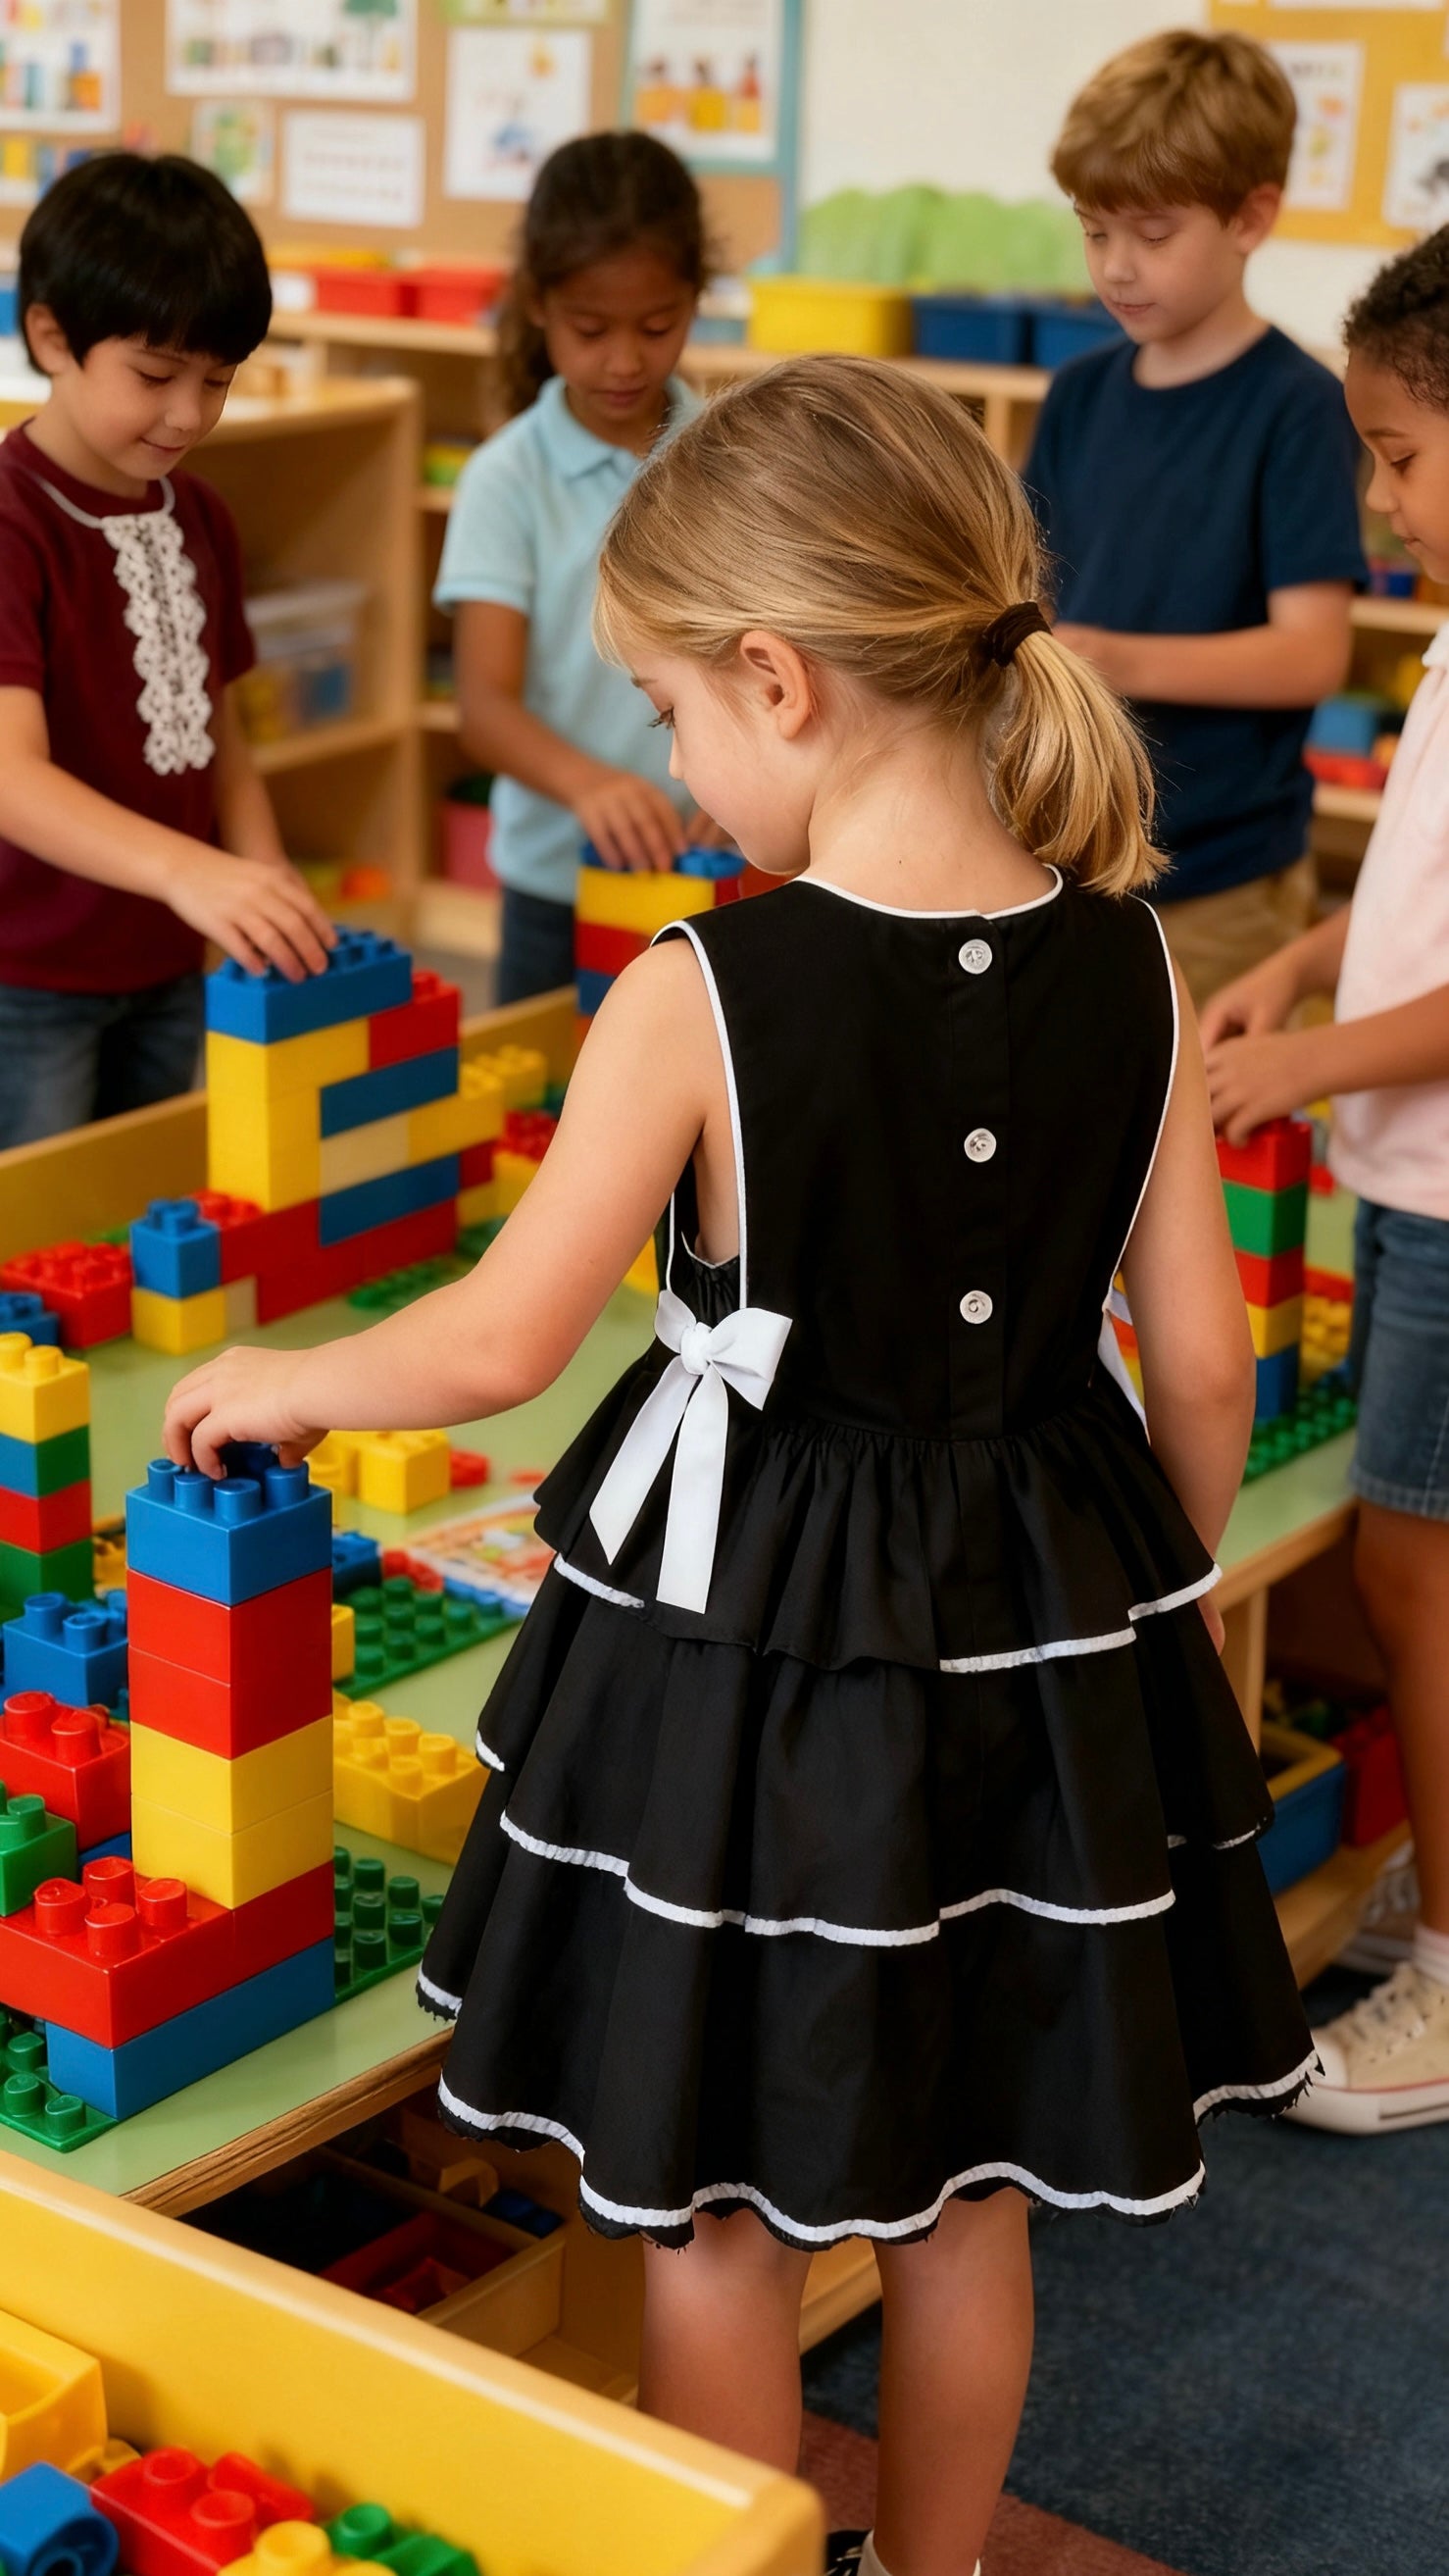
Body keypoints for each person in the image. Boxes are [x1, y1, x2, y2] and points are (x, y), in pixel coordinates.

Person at [163, 359, 1314, 2576]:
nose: (674, 766)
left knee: (715, 2200)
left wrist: (290, 1376)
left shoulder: (702, 988)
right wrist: (1129, 1605)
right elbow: (1201, 1354)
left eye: (677, 711)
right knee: (966, 2187)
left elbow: (503, 1346)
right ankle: (933, 2565)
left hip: (762, 1655)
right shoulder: (1138, 963)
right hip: (1036, 1607)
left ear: (779, 679)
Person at [1202, 228, 1449, 2139]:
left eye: (1401, 452)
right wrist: (1309, 956)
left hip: (1444, 1189)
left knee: (1409, 1566)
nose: (1377, 493)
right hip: (1407, 1169)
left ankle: (1447, 1958)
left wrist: (1304, 1057)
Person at [1025, 28, 1365, 1013]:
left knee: (1195, 1145)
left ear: (1250, 216)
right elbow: (1025, 584)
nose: (1116, 266)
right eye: (1094, 231)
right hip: (1070, 849)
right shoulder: (1078, 394)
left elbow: (1309, 656)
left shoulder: (1295, 405)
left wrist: (1108, 657)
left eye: (1152, 232)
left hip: (1220, 875)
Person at [0, 153, 334, 1150]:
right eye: (154, 375)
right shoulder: (14, 521)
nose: (188, 414)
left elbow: (216, 724)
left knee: (147, 1210)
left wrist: (260, 871)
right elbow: (10, 776)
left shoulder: (200, 515)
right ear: (53, 336)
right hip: (29, 974)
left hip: (172, 959)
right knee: (32, 1242)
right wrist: (194, 870)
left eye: (217, 380)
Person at [436, 130, 719, 1006]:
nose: (626, 360)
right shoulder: (506, 477)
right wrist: (587, 784)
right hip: (555, 890)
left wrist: (755, 794)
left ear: (695, 301)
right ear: (537, 305)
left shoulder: (731, 454)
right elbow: (483, 708)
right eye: (592, 330)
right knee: (559, 1114)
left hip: (708, 867)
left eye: (658, 325)